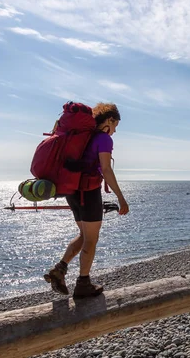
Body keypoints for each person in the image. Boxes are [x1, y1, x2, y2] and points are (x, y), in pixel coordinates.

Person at [44, 102, 129, 298]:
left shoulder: (84, 136)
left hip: (72, 191)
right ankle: (83, 283)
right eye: (115, 126)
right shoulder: (103, 139)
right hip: (88, 192)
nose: (115, 131)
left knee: (83, 235)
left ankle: (59, 269)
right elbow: (106, 170)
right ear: (109, 120)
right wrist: (121, 198)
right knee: (91, 239)